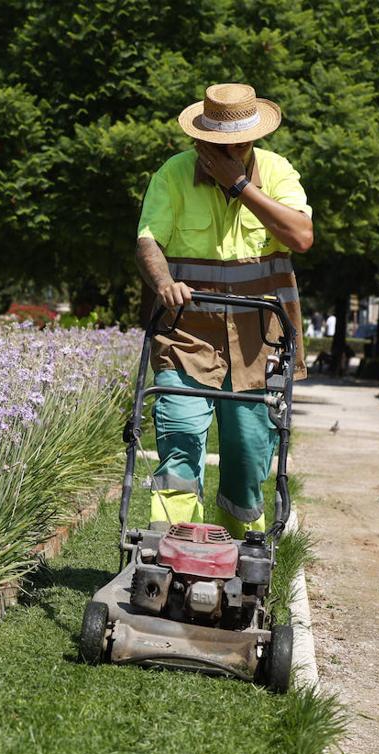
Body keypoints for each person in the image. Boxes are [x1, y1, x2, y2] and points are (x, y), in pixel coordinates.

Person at [135, 83, 313, 538]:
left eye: (235, 144)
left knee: (249, 450)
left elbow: (301, 238)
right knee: (178, 433)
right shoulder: (172, 175)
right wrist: (163, 283)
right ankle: (168, 546)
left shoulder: (276, 173)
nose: (224, 151)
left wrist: (239, 185)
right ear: (200, 140)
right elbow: (148, 239)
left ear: (251, 139)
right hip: (186, 335)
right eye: (214, 145)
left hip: (263, 342)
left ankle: (242, 543)